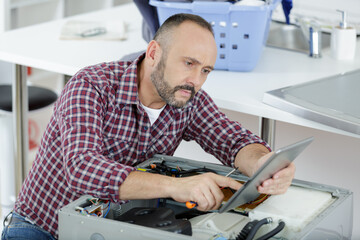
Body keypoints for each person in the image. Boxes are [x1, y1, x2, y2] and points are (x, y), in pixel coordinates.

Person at [2, 13, 295, 240]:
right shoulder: (91, 85)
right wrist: (177, 186)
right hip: (42, 228)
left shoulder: (187, 97)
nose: (196, 79)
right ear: (154, 52)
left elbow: (233, 140)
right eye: (189, 63)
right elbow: (82, 168)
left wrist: (264, 162)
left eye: (205, 70)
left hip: (111, 229)